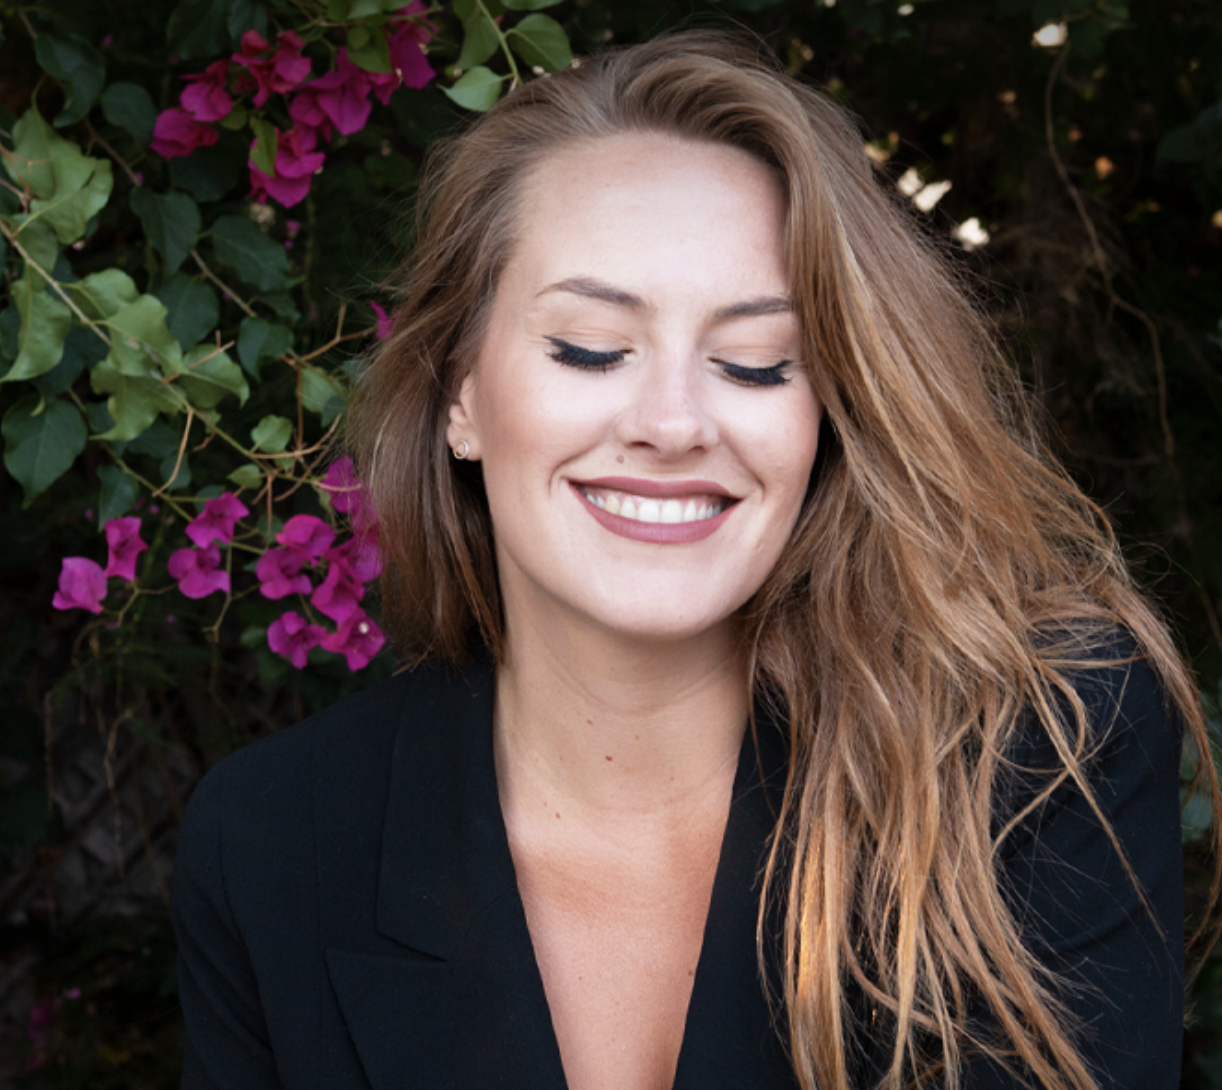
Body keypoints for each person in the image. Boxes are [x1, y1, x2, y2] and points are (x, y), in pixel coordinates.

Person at [173, 30, 1220, 1090]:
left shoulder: (1030, 759)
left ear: (833, 410)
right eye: (589, 347)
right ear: (460, 396)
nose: (673, 423)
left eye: (757, 364)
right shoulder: (273, 843)